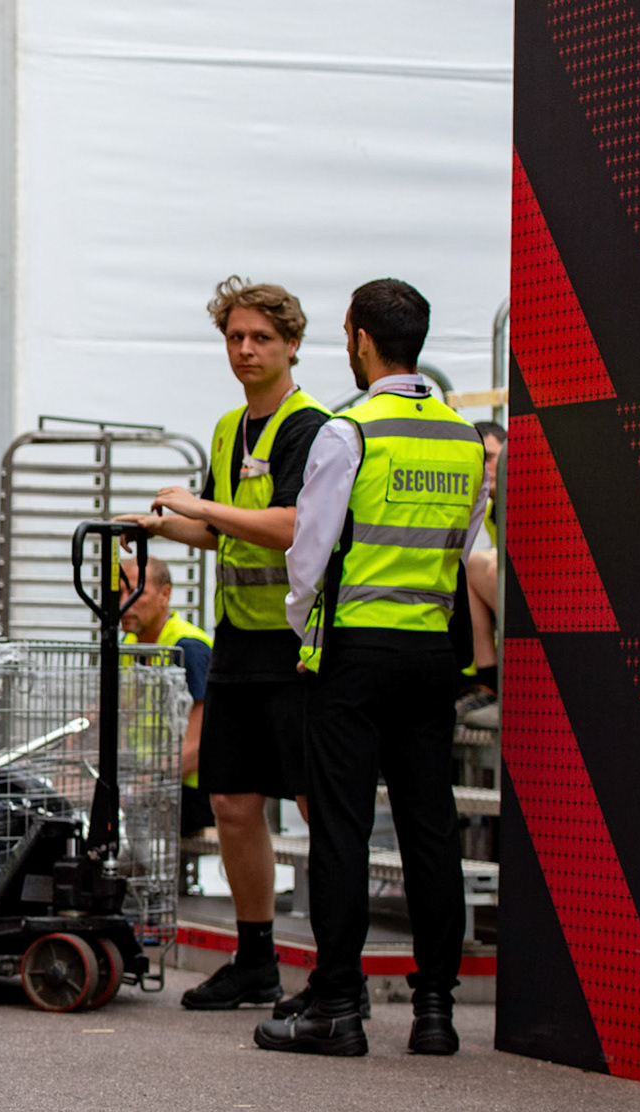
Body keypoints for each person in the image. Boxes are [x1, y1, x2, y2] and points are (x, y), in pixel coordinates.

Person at [254, 279, 487, 1057]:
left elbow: (308, 553)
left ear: (357, 338)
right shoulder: (461, 436)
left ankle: (339, 1008)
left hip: (353, 648)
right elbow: (462, 545)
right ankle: (435, 1012)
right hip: (430, 652)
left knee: (344, 829)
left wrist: (304, 627)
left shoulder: (349, 431)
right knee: (429, 828)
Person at [119, 277, 326, 1011]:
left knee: (312, 801)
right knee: (233, 801)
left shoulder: (311, 428)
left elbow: (291, 524)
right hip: (242, 638)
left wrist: (200, 507)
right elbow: (220, 530)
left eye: (260, 337)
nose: (245, 349)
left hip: (301, 644)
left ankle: (335, 970)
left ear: (292, 344)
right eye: (235, 337)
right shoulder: (227, 428)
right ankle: (257, 959)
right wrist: (165, 526)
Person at [118, 558, 211, 837]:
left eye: (136, 592)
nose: (124, 602)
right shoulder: (129, 646)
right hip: (147, 785)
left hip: (189, 792)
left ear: (165, 594)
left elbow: (200, 745)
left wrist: (143, 784)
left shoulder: (188, 648)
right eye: (118, 593)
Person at [454, 422, 504, 728]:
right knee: (471, 565)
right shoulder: (488, 510)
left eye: (491, 456)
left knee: (482, 564)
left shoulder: (536, 496)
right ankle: (488, 683)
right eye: (478, 459)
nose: (484, 468)